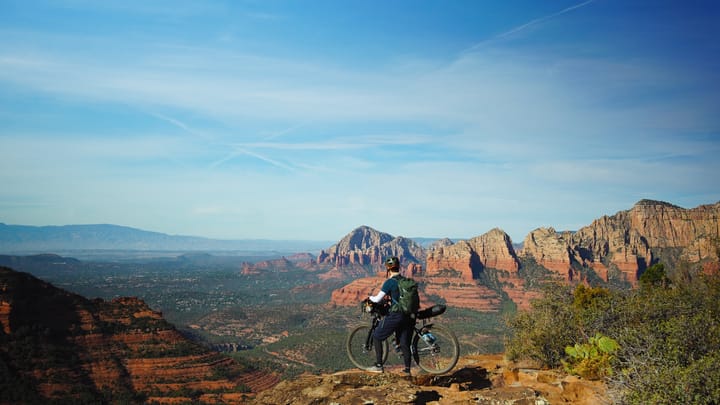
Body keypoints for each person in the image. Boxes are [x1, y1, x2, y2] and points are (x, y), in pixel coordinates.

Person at [366, 256, 414, 375]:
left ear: (388, 269)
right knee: (403, 343)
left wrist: (369, 297)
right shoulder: (404, 280)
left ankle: (378, 366)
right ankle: (407, 370)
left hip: (396, 315)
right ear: (399, 267)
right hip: (407, 315)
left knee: (377, 336)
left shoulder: (390, 282)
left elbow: (377, 299)